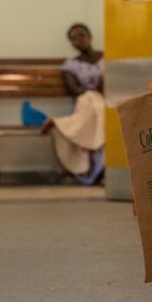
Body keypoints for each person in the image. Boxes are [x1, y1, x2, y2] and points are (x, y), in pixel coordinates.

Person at [42, 23, 106, 185]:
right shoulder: (70, 65)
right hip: (85, 100)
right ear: (72, 43)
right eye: (74, 38)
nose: (79, 40)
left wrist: (104, 86)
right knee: (96, 107)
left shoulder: (107, 58)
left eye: (82, 35)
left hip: (106, 99)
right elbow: (74, 89)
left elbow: (115, 81)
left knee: (101, 111)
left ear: (90, 36)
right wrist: (95, 90)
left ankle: (61, 123)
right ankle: (97, 171)